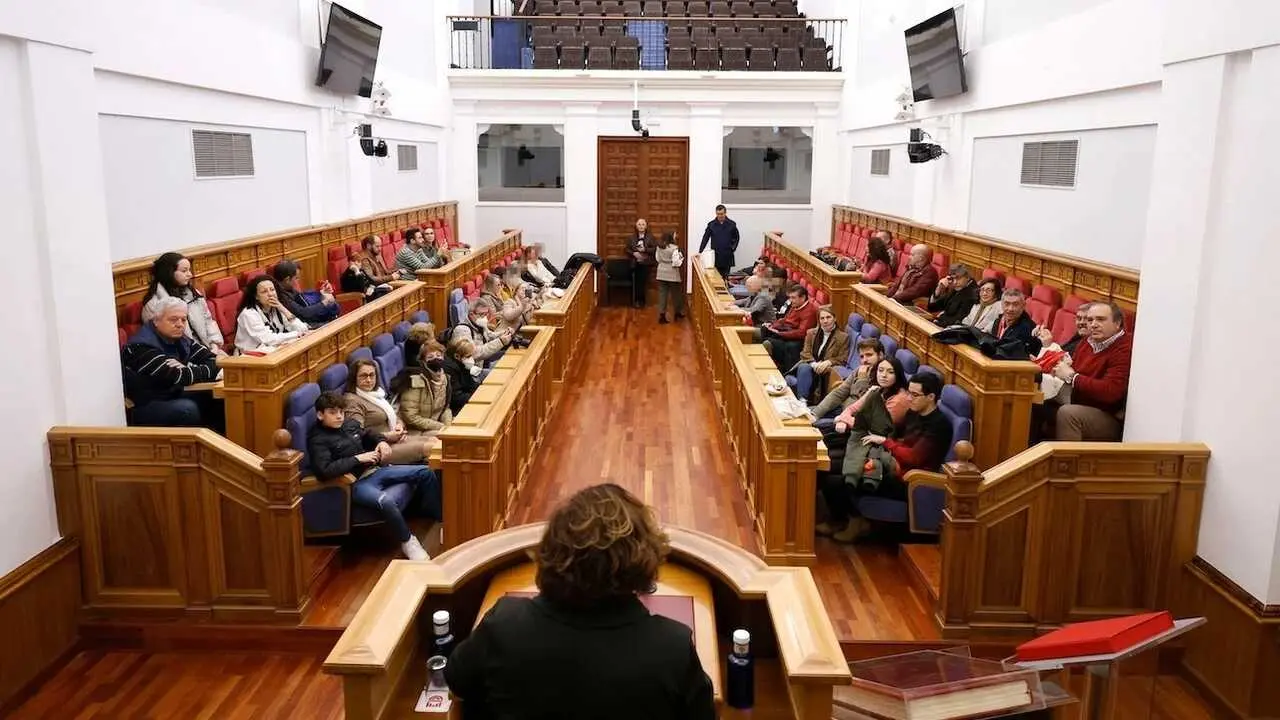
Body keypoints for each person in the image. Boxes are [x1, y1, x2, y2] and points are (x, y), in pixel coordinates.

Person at [445, 483, 715, 720]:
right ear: (642, 561)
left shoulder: (505, 624)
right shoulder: (672, 647)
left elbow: (456, 680)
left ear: (554, 551)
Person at [820, 371, 951, 542]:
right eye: (908, 392)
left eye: (915, 395)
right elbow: (899, 439)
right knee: (831, 465)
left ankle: (856, 523)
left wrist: (885, 442)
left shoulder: (939, 425)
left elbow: (913, 458)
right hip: (891, 461)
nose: (909, 398)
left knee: (837, 481)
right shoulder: (913, 413)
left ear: (931, 396)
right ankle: (838, 520)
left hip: (907, 479)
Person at [306, 391, 437, 560]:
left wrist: (381, 442)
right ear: (320, 414)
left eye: (341, 412)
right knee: (386, 501)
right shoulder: (318, 439)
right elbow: (324, 470)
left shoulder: (347, 424)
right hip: (355, 483)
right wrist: (357, 459)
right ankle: (408, 542)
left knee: (425, 472)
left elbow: (368, 433)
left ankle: (437, 521)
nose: (339, 417)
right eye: (333, 413)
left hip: (375, 470)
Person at [122, 296, 222, 428]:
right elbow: (179, 376)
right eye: (173, 319)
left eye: (183, 320)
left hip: (173, 393)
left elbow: (215, 361)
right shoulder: (140, 346)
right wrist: (186, 373)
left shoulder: (180, 339)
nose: (180, 324)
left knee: (218, 397)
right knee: (188, 409)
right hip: (145, 404)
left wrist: (186, 371)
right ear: (156, 321)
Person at [1051, 302, 1132, 441]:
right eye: (1090, 320)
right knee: (1039, 398)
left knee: (1068, 413)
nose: (1093, 324)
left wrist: (1072, 377)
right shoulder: (1087, 342)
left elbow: (1111, 392)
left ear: (1117, 323)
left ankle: (1067, 462)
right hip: (1081, 400)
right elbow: (1075, 371)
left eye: (1100, 319)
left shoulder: (1124, 348)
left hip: (1110, 415)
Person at [342, 358, 432, 464]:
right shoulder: (352, 401)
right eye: (363, 376)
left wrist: (399, 425)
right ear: (354, 378)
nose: (369, 380)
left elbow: (392, 414)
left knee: (437, 442)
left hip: (395, 439)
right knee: (433, 448)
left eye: (372, 375)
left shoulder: (376, 394)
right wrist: (388, 436)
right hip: (378, 448)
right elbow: (358, 435)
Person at [140, 252, 227, 356]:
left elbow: (208, 320)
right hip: (185, 358)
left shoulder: (193, 293)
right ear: (169, 273)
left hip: (210, 350)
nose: (190, 274)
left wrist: (214, 345)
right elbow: (165, 341)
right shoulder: (154, 304)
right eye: (184, 271)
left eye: (189, 270)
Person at [789, 307, 849, 404]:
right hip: (811, 365)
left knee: (807, 368)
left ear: (835, 318)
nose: (825, 321)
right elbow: (805, 353)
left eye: (828, 317)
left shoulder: (843, 337)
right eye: (822, 318)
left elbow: (842, 358)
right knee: (804, 367)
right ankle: (802, 402)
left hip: (827, 369)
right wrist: (814, 364)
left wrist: (828, 362)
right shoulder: (811, 333)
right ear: (819, 320)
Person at [234, 276, 309, 353]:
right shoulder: (248, 314)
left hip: (273, 350)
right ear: (256, 296)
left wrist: (283, 309)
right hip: (249, 357)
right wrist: (297, 334)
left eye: (272, 290)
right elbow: (268, 339)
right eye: (264, 291)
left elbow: (303, 329)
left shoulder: (277, 308)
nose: (270, 294)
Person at [396, 340, 454, 438]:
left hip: (436, 425)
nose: (436, 359)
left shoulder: (445, 378)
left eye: (439, 355)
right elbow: (411, 417)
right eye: (430, 357)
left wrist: (448, 426)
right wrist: (441, 427)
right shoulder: (415, 381)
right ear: (423, 360)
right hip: (415, 430)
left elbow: (446, 408)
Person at [760, 284, 819, 370]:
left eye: (793, 298)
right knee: (762, 330)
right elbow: (784, 320)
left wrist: (780, 334)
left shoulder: (810, 311)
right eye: (790, 297)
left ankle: (772, 370)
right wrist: (772, 326)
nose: (791, 301)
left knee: (767, 342)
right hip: (785, 334)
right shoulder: (795, 305)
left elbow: (802, 333)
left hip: (795, 340)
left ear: (802, 297)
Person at [272, 260, 339, 328]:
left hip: (307, 321)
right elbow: (303, 313)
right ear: (287, 280)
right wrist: (325, 302)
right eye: (296, 278)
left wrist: (322, 293)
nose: (298, 281)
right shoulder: (280, 295)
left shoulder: (287, 288)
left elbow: (304, 302)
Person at [994, 288, 1041, 355]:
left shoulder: (1029, 329)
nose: (1010, 309)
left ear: (1023, 306)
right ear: (1001, 305)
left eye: (1015, 304)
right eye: (1007, 304)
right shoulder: (998, 321)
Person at [442, 337, 483, 413]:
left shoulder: (462, 364)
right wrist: (477, 396)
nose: (471, 359)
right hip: (454, 408)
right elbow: (456, 397)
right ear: (457, 356)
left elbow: (470, 384)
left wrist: (481, 391)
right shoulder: (449, 369)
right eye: (468, 356)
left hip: (465, 399)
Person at [698, 204, 740, 277]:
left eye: (721, 214)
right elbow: (705, 238)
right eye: (718, 214)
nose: (720, 216)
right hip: (716, 255)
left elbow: (736, 237)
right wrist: (700, 251)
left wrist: (733, 248)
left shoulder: (732, 224)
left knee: (725, 277)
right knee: (716, 277)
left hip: (727, 255)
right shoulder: (711, 225)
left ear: (725, 213)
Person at [654, 231, 685, 323]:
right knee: (676, 293)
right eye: (675, 235)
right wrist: (681, 258)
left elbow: (657, 259)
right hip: (672, 272)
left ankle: (662, 315)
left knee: (662, 294)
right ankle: (677, 312)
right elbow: (676, 262)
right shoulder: (674, 248)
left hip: (661, 271)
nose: (676, 236)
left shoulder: (659, 246)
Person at [627, 218, 656, 308]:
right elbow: (626, 249)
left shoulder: (651, 237)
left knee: (643, 282)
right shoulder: (631, 237)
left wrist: (645, 250)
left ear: (646, 226)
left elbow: (655, 249)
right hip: (635, 263)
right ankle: (636, 301)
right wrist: (634, 253)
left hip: (646, 263)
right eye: (639, 224)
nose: (641, 226)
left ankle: (642, 301)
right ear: (636, 226)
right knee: (636, 282)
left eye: (643, 224)